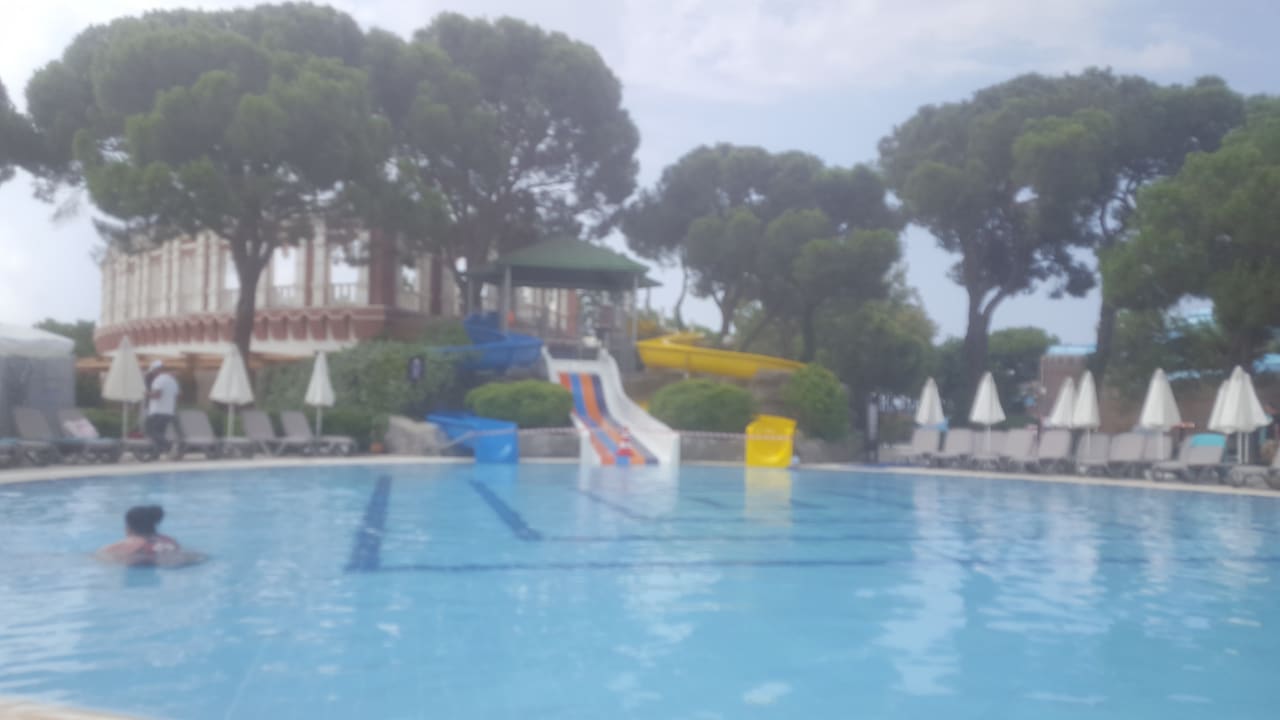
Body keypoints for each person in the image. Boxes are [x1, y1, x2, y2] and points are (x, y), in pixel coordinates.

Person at [97, 505, 205, 567]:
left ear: (129, 527)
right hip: (187, 559)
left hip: (154, 562)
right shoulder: (169, 540)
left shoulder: (130, 543)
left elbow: (99, 557)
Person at [145, 360, 179, 453]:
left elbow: (157, 395)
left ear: (157, 370)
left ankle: (169, 446)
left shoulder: (158, 380)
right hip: (169, 412)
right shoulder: (172, 380)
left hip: (157, 412)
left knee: (150, 431)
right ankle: (159, 451)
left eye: (153, 372)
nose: (152, 374)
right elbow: (177, 396)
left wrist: (146, 393)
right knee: (160, 432)